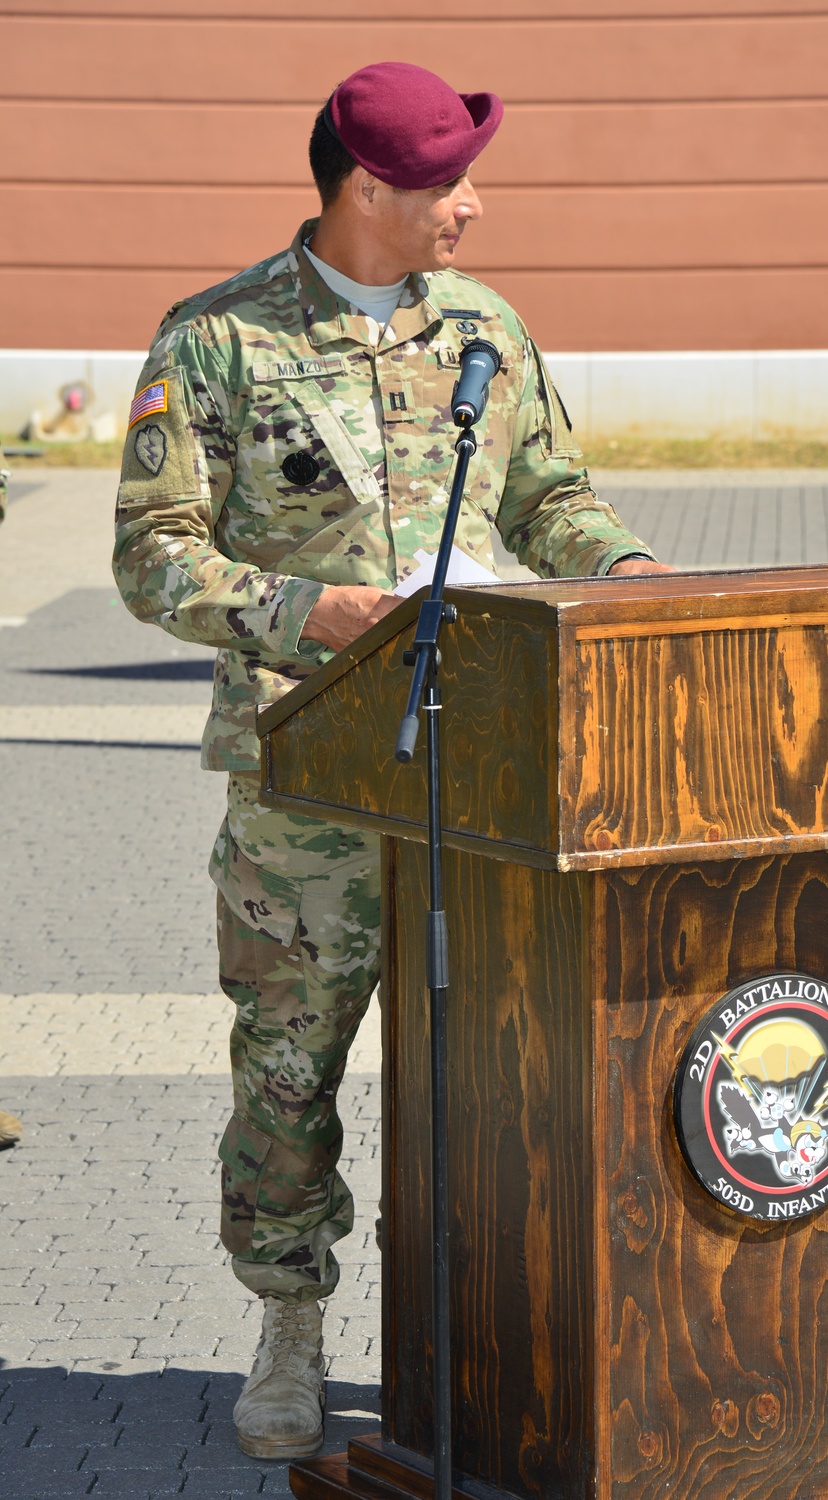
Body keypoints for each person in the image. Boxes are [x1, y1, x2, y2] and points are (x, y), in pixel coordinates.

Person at [112, 60, 670, 1460]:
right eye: (445, 186)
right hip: (308, 778)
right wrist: (325, 615)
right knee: (290, 1069)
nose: (470, 208)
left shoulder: (484, 329)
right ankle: (288, 1323)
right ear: (368, 187)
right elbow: (154, 557)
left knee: (504, 1070)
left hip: (486, 779)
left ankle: (498, 1337)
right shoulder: (216, 342)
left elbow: (552, 499)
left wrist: (635, 573)